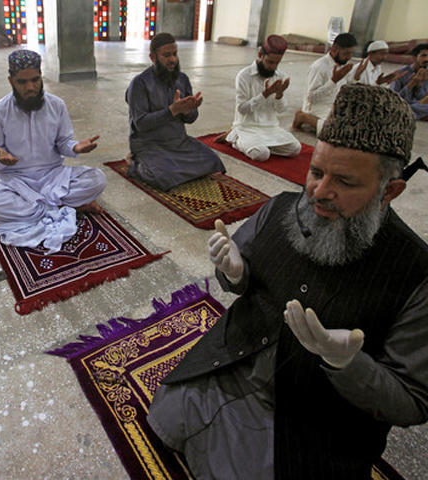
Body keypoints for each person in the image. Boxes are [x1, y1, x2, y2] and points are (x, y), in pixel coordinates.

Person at [148, 84, 428, 479]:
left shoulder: (416, 272)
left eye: (345, 183)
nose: (319, 191)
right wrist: (235, 274)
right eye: (316, 172)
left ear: (390, 192)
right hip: (238, 362)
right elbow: (241, 279)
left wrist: (345, 363)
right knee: (168, 416)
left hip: (313, 416)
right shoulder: (281, 207)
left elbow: (412, 401)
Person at [0, 50, 106, 253]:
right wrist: (0, 159)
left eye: (35, 80)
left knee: (97, 179)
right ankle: (68, 207)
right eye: (22, 82)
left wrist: (75, 147)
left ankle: (40, 209)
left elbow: (63, 141)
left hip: (52, 176)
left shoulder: (57, 105)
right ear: (11, 81)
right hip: (17, 180)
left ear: (41, 77)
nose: (30, 87)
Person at [125, 32, 225, 191]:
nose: (173, 59)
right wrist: (172, 110)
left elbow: (191, 119)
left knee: (212, 161)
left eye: (174, 54)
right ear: (153, 57)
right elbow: (141, 124)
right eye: (166, 55)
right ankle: (134, 165)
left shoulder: (182, 79)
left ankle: (167, 165)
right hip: (149, 144)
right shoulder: (139, 83)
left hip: (178, 141)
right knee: (162, 176)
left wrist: (188, 110)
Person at [223, 35, 301, 162]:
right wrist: (265, 94)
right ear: (260, 55)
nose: (273, 67)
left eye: (277, 63)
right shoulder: (244, 76)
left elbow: (281, 110)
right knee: (261, 154)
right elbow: (242, 109)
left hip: (270, 128)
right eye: (270, 62)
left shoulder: (280, 76)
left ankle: (259, 144)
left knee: (295, 149)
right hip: (247, 127)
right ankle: (235, 137)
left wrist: (279, 95)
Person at [292, 32, 358, 134]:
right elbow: (311, 98)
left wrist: (356, 76)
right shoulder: (319, 67)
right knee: (337, 131)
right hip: (316, 108)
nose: (349, 57)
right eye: (346, 53)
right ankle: (303, 117)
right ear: (334, 50)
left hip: (334, 106)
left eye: (351, 53)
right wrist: (333, 81)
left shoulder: (342, 65)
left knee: (358, 125)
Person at [390, 43, 428, 120]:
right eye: (423, 56)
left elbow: (421, 97)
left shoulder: (426, 74)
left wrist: (419, 84)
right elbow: (394, 98)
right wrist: (412, 83)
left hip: (417, 106)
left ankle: (410, 114)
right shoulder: (401, 73)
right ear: (414, 58)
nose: (427, 59)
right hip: (401, 104)